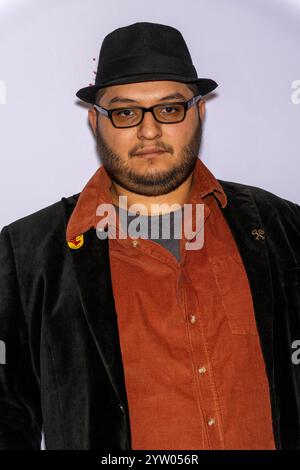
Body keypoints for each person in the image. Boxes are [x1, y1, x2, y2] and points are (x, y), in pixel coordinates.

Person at [0, 21, 300, 451]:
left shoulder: (282, 227)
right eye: (124, 112)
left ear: (199, 111)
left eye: (169, 108)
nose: (149, 130)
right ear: (94, 122)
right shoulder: (30, 252)